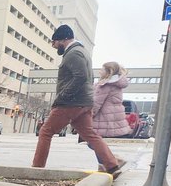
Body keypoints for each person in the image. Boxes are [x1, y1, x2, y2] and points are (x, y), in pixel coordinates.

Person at [31, 25, 126, 175]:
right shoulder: (82, 52)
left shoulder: (73, 53)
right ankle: (112, 165)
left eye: (54, 42)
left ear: (63, 39)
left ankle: (36, 169)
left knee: (45, 132)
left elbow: (80, 77)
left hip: (70, 103)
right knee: (90, 134)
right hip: (84, 103)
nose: (53, 45)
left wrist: (62, 96)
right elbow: (87, 77)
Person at [92, 62, 133, 138]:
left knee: (96, 144)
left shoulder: (105, 86)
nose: (99, 71)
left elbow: (95, 105)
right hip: (114, 121)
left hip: (104, 122)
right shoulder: (116, 84)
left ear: (109, 71)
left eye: (102, 69)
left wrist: (88, 115)